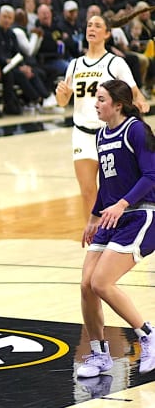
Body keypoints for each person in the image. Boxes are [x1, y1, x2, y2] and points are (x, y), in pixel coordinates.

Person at [76, 79, 155, 378]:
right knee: (86, 285)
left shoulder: (135, 129)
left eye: (101, 99)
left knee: (101, 282)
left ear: (117, 105)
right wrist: (94, 217)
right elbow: (106, 184)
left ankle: (148, 334)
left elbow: (151, 175)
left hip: (140, 215)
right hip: (110, 217)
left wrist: (122, 204)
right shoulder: (100, 135)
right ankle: (99, 354)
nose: (95, 104)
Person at [55, 8, 151, 218]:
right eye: (89, 25)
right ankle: (94, 243)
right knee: (88, 192)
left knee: (115, 191)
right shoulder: (75, 64)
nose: (92, 28)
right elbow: (63, 102)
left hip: (109, 135)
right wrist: (61, 94)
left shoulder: (115, 63)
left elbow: (134, 92)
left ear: (107, 34)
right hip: (82, 134)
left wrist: (142, 102)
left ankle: (120, 234)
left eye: (98, 26)